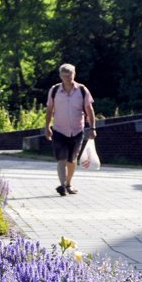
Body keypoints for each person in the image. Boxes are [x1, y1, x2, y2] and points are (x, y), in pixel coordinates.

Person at [44, 63, 96, 196]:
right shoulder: (54, 90)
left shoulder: (82, 90)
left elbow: (89, 110)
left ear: (74, 74)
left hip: (77, 130)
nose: (67, 78)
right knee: (61, 158)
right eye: (64, 75)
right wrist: (47, 127)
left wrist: (92, 128)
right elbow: (49, 109)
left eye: (70, 75)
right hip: (59, 130)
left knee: (72, 160)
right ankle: (62, 185)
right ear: (60, 76)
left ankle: (68, 183)